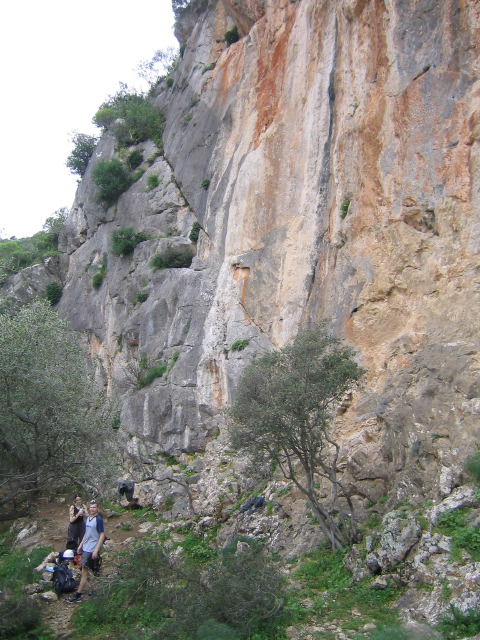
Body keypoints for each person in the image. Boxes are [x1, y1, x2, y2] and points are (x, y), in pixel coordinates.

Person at [66, 500, 105, 603]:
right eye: (91, 507)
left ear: (97, 509)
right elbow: (86, 533)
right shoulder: (88, 519)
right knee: (89, 571)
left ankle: (78, 594)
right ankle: (94, 590)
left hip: (91, 549)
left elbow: (102, 535)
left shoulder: (98, 520)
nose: (92, 509)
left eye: (94, 507)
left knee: (84, 571)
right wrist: (81, 545)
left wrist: (96, 550)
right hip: (85, 548)